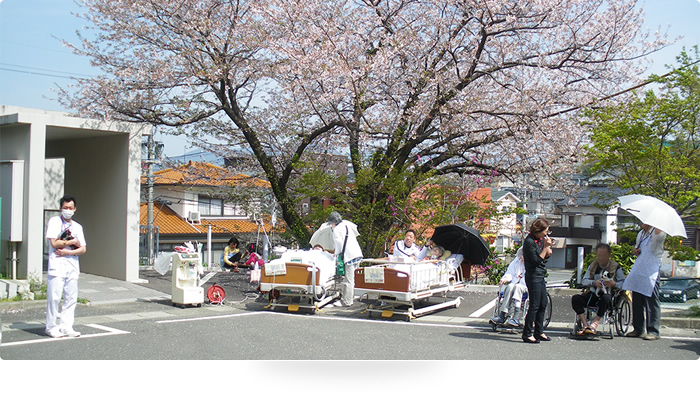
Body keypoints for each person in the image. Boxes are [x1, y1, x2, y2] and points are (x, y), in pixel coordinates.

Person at [45, 194, 87, 338]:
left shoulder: (77, 226)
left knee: (71, 298)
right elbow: (54, 243)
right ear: (60, 208)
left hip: (72, 266)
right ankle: (51, 326)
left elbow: (83, 248)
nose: (68, 210)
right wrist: (71, 242)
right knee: (54, 297)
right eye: (65, 207)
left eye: (70, 208)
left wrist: (68, 252)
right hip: (57, 265)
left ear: (75, 209)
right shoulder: (55, 222)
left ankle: (66, 326)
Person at [622, 224, 667, 340]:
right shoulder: (641, 233)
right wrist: (636, 251)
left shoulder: (657, 232)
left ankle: (653, 330)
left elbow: (660, 237)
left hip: (652, 270)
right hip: (640, 268)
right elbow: (640, 249)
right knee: (637, 299)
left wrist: (658, 223)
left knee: (652, 300)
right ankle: (638, 328)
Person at [571, 243, 626, 335]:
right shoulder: (593, 266)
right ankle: (585, 324)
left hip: (608, 295)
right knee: (576, 298)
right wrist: (594, 283)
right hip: (593, 293)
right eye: (599, 255)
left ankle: (595, 323)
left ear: (609, 255)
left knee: (606, 298)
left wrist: (614, 284)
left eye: (604, 255)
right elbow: (584, 280)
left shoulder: (615, 267)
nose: (601, 258)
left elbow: (624, 283)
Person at [521, 218, 554, 344]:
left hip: (540, 275)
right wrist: (545, 249)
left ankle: (539, 331)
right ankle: (527, 333)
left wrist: (548, 251)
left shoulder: (539, 240)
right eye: (545, 231)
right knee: (534, 305)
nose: (546, 234)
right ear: (538, 230)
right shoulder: (529, 242)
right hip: (533, 275)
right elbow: (536, 261)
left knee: (543, 303)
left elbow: (544, 259)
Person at [328, 211, 363, 306]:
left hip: (349, 256)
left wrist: (336, 253)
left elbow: (339, 244)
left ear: (333, 222)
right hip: (357, 254)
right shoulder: (346, 225)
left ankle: (347, 301)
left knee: (348, 280)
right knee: (354, 279)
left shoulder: (336, 230)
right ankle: (352, 296)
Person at [490, 247, 527, 327]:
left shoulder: (530, 264)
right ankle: (502, 315)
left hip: (525, 286)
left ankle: (516, 317)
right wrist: (505, 279)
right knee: (510, 286)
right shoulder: (516, 262)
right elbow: (510, 273)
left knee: (518, 287)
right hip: (514, 285)